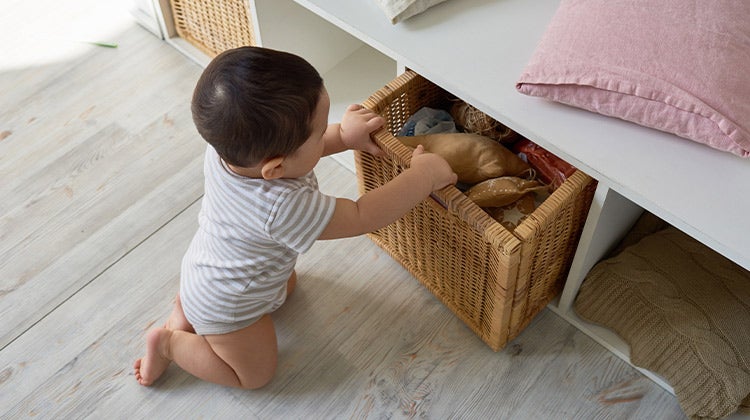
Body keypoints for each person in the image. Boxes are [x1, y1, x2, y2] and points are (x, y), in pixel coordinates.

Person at [133, 46, 457, 389]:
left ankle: (185, 310)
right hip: (229, 309)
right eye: (320, 134)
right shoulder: (283, 208)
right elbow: (363, 215)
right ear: (275, 169)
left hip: (205, 268)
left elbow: (295, 153)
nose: (326, 134)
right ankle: (170, 343)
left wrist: (344, 137)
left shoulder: (226, 151)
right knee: (254, 375)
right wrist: (423, 177)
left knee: (287, 286)